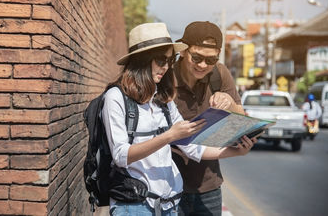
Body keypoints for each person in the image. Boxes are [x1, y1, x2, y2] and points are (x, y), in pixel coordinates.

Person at [103, 22, 255, 216]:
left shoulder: (163, 97)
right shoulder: (116, 97)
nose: (166, 67)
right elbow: (121, 155)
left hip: (169, 202)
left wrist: (236, 151)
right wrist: (169, 136)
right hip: (135, 203)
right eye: (161, 60)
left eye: (169, 60)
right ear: (141, 59)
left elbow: (191, 145)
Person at [172, 21, 257, 216]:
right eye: (197, 57)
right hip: (170, 186)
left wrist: (229, 102)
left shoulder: (219, 74)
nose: (203, 65)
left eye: (210, 60)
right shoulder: (167, 78)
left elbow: (240, 118)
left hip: (209, 185)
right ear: (184, 51)